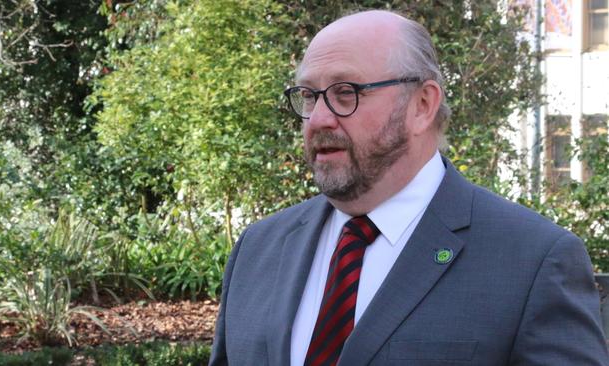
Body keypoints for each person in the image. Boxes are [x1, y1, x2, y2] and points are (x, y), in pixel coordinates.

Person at [209, 10, 609, 366]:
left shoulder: (534, 261)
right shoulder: (257, 248)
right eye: (309, 97)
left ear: (422, 104)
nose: (318, 120)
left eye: (345, 93)